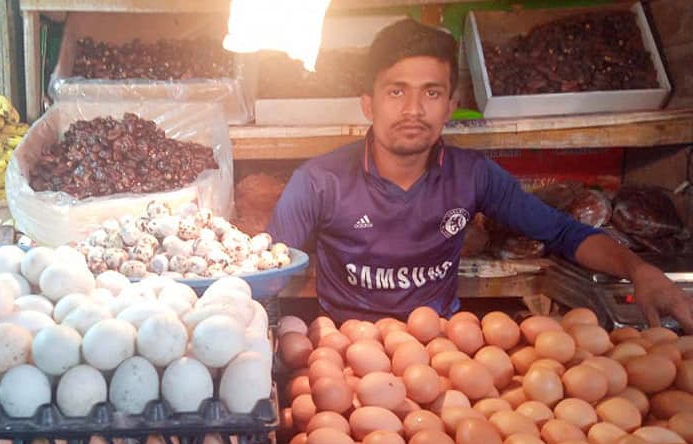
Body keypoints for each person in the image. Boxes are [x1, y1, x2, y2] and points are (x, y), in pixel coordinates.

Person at [267, 18, 693, 331]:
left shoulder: (473, 176)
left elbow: (565, 233)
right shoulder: (319, 181)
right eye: (396, 91)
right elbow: (268, 270)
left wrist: (640, 270)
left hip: (442, 350)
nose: (413, 110)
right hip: (346, 350)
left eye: (431, 93)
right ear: (368, 103)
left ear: (450, 105)